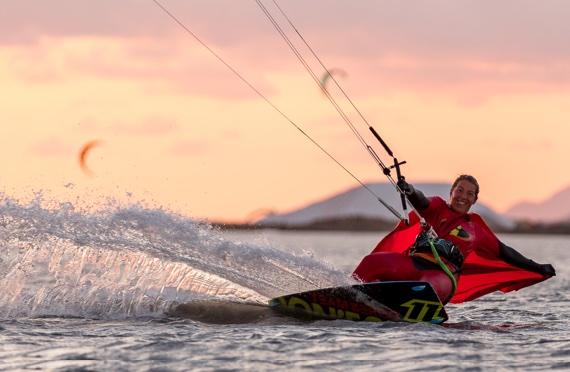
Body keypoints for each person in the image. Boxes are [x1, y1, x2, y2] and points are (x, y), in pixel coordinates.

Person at [352, 174, 555, 304]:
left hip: (443, 277)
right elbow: (420, 200)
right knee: (372, 263)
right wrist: (410, 190)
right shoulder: (437, 207)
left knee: (425, 287)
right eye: (459, 190)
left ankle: (401, 304)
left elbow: (505, 252)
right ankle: (347, 297)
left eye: (470, 193)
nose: (463, 196)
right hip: (415, 263)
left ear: (475, 200)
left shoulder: (476, 229)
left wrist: (537, 267)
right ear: (451, 193)